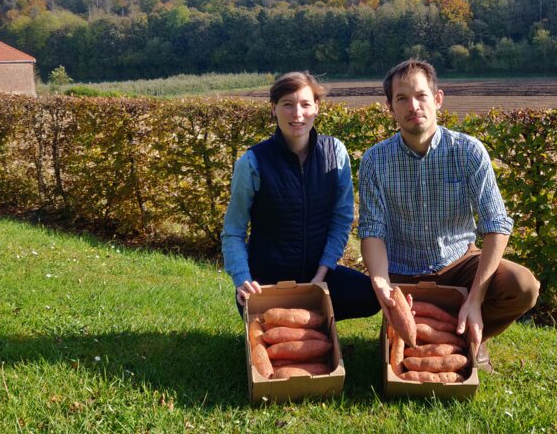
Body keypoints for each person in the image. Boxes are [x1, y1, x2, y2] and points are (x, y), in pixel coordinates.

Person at [358, 59, 539, 370]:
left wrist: (476, 298)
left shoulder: (468, 151)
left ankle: (469, 335)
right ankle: (449, 342)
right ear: (390, 107)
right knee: (391, 354)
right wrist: (381, 282)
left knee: (523, 286)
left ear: (437, 99)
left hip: (459, 263)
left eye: (421, 95)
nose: (413, 105)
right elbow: (372, 229)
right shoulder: (375, 160)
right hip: (404, 271)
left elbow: (496, 224)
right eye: (401, 98)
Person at [221, 71, 379, 320]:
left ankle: (312, 315)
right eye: (287, 105)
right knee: (263, 316)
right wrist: (243, 280)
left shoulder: (335, 152)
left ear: (316, 108)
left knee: (370, 297)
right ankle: (302, 316)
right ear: (273, 109)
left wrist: (323, 271)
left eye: (305, 104)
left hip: (320, 273)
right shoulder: (252, 162)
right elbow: (233, 230)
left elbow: (342, 217)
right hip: (268, 281)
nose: (297, 114)